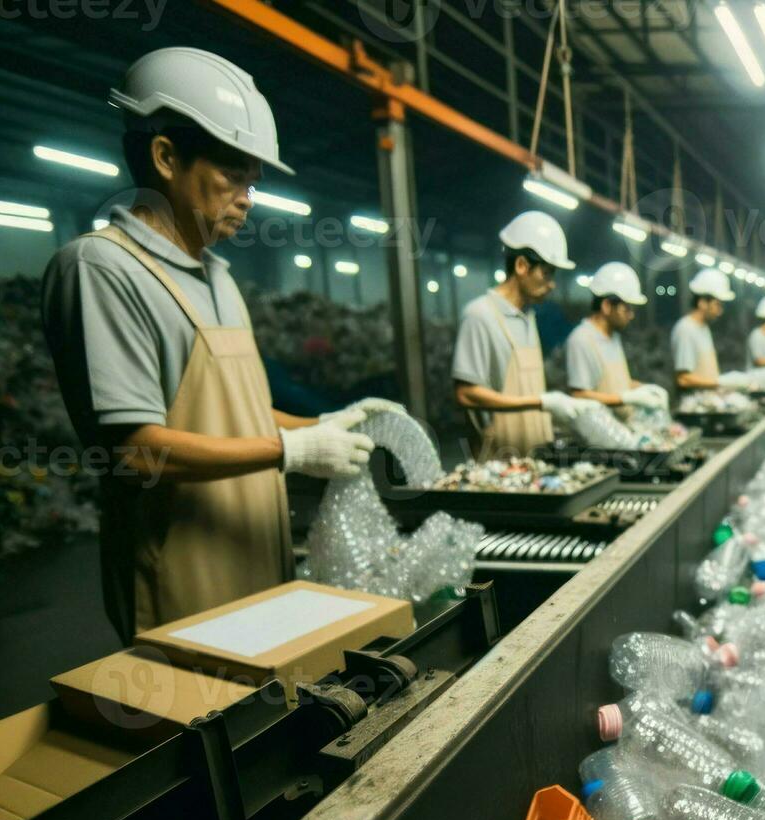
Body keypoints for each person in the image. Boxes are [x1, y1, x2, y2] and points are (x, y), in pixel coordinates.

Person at [41, 47, 382, 640]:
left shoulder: (218, 275)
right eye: (232, 175)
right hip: (182, 576)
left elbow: (237, 413)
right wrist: (289, 453)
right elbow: (136, 450)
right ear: (166, 157)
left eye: (254, 181)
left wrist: (318, 424)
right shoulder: (102, 269)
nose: (248, 197)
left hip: (258, 556)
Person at [452, 210, 588, 460]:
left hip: (534, 454)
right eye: (546, 273)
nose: (552, 284)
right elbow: (466, 393)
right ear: (522, 265)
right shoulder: (480, 315)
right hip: (498, 460)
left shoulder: (529, 316)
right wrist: (541, 402)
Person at [566, 262, 666, 411]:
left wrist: (644, 389)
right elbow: (579, 395)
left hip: (622, 428)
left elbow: (617, 383)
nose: (631, 315)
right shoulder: (582, 340)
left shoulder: (613, 338)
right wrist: (624, 399)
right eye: (626, 309)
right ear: (606, 306)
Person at [671, 268, 735, 392]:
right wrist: (720, 383)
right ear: (702, 303)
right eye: (717, 305)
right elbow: (683, 379)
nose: (720, 311)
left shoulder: (703, 328)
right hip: (692, 407)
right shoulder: (686, 329)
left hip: (706, 402)